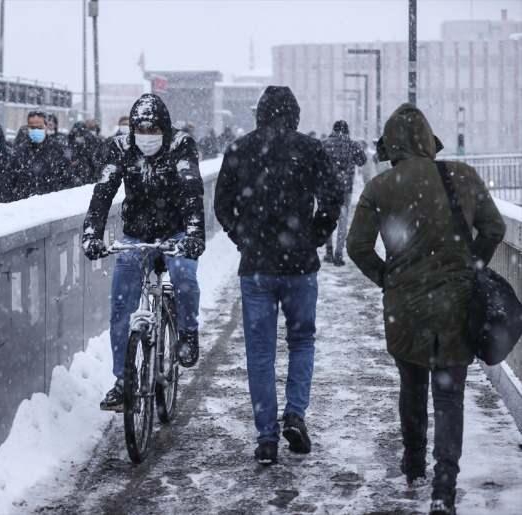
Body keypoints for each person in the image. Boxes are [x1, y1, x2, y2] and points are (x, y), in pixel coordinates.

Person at [347, 104, 505, 515]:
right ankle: (444, 485)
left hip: (406, 308)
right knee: (449, 396)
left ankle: (414, 461)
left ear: (391, 145)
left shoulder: (380, 187)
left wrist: (387, 278)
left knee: (412, 384)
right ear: (428, 141)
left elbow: (356, 246)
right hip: (457, 303)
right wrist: (472, 265)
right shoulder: (462, 176)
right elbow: (495, 228)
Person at [214, 86, 343, 465]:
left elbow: (222, 205)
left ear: (260, 114)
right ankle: (295, 414)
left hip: (257, 267)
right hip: (300, 265)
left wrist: (242, 238)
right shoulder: (310, 149)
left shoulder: (240, 149)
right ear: (295, 115)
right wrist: (315, 235)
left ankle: (266, 437)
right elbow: (333, 197)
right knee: (302, 341)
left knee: (260, 353)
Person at [82, 93, 206, 412]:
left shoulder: (181, 145)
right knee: (121, 304)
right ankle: (123, 381)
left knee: (184, 276)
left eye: (153, 131)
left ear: (165, 129)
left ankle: (187, 333)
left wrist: (194, 234)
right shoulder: (121, 147)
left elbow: (192, 191)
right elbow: (102, 193)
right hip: (136, 235)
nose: (146, 137)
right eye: (141, 131)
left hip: (176, 231)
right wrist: (92, 234)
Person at [322, 120, 367, 266]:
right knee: (343, 219)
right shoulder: (352, 145)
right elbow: (362, 161)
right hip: (345, 189)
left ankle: (328, 251)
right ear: (347, 130)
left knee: (327, 218)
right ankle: (338, 254)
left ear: (333, 130)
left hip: (327, 188)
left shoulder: (324, 144)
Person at [15, 110, 70, 194]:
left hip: (50, 199)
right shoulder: (20, 151)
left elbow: (65, 179)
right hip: (26, 199)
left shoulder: (57, 150)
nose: (36, 130)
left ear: (46, 127)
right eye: (33, 127)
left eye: (39, 127)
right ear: (28, 128)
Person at [67, 121, 104, 186]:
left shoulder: (93, 142)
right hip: (75, 176)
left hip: (89, 175)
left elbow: (95, 160)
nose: (78, 135)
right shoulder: (70, 143)